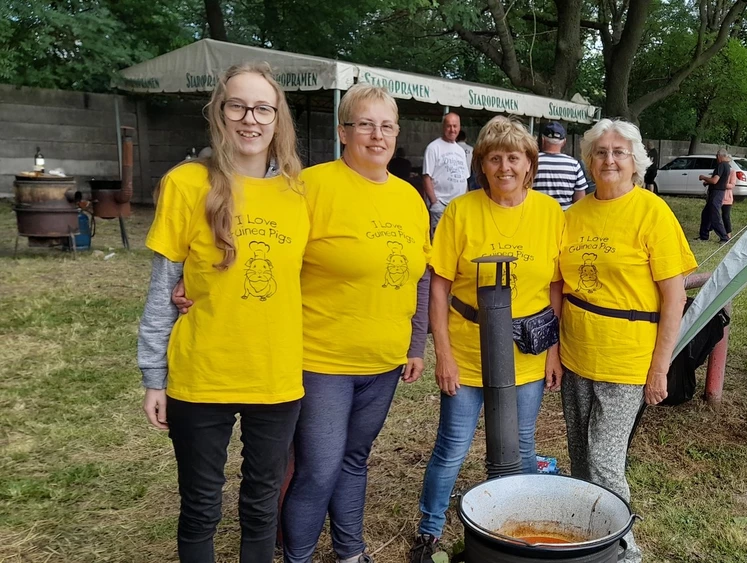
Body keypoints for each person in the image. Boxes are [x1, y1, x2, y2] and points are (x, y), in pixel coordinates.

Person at [173, 84, 431, 563]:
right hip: (321, 356)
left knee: (354, 460)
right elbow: (261, 245)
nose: (377, 136)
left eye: (387, 126)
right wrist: (199, 283)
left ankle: (351, 551)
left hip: (385, 359)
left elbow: (421, 273)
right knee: (318, 468)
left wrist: (415, 343)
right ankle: (299, 555)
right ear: (343, 131)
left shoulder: (410, 199)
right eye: (365, 124)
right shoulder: (308, 186)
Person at [138, 61, 308, 563]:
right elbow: (162, 288)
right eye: (238, 105)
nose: (250, 119)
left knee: (260, 507)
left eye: (262, 108)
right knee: (200, 508)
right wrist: (154, 376)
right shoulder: (187, 183)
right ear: (219, 112)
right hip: (201, 375)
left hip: (274, 376)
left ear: (278, 119)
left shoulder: (298, 192)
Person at [408, 116, 565, 563]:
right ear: (481, 164)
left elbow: (555, 286)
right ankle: (430, 529)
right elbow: (439, 284)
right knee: (453, 444)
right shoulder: (461, 210)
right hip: (469, 345)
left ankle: (514, 521)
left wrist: (553, 349)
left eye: (513, 158)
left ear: (529, 164)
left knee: (522, 441)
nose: (504, 168)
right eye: (494, 158)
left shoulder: (550, 214)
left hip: (525, 348)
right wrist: (444, 354)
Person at [555, 118, 697, 563]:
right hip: (577, 352)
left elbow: (675, 294)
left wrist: (660, 367)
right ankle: (588, 543)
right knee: (580, 459)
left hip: (628, 358)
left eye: (619, 152)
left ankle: (624, 551)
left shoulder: (651, 211)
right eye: (600, 152)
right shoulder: (571, 216)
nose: (609, 159)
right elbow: (558, 286)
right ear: (589, 161)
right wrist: (554, 351)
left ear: (635, 162)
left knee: (603, 461)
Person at [422, 112, 469, 234]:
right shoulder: (433, 147)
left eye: (455, 126)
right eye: (449, 126)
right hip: (441, 205)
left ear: (459, 127)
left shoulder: (460, 151)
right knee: (439, 241)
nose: (452, 129)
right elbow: (427, 177)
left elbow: (465, 179)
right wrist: (434, 202)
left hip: (458, 205)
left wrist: (466, 201)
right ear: (443, 127)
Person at [533, 121, 588, 209]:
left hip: (537, 217)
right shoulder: (574, 165)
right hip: (564, 219)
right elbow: (580, 201)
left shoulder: (532, 162)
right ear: (564, 142)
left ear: (543, 140)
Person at [697, 148, 731, 243]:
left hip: (717, 193)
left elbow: (715, 180)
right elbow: (719, 181)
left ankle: (724, 237)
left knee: (714, 215)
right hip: (718, 192)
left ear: (720, 156)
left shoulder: (721, 165)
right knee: (706, 214)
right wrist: (708, 183)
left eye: (716, 156)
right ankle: (703, 235)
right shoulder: (727, 166)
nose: (716, 158)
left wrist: (703, 177)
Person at [722, 155, 737, 238]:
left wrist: (723, 185)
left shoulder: (732, 171)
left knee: (725, 216)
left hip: (727, 198)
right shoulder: (720, 169)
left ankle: (728, 234)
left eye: (727, 162)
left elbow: (732, 185)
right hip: (718, 196)